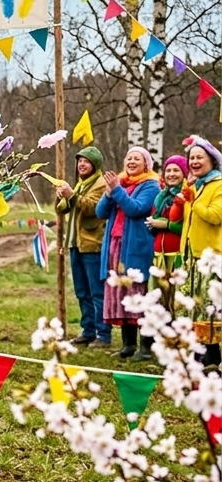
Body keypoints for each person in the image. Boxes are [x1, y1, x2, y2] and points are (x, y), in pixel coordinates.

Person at [95, 147, 160, 360]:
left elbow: (135, 209)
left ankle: (146, 348)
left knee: (137, 294)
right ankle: (128, 345)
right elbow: (100, 213)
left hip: (136, 247)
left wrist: (116, 191)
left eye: (137, 159)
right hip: (115, 245)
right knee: (121, 294)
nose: (131, 161)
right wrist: (108, 193)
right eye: (129, 158)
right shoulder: (120, 183)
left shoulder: (151, 185)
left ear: (146, 164)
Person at [56, 146, 109, 347]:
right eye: (79, 161)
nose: (82, 165)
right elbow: (65, 209)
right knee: (82, 292)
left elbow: (93, 209)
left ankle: (103, 334)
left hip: (92, 246)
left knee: (97, 292)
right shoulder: (80, 185)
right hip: (75, 245)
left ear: (95, 165)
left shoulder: (101, 184)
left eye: (86, 161)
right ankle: (88, 331)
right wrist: (62, 197)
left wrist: (72, 195)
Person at [142, 155, 188, 361]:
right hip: (159, 255)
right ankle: (161, 346)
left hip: (176, 255)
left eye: (176, 170)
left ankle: (178, 348)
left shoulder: (186, 195)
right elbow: (155, 221)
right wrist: (153, 225)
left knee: (174, 303)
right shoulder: (160, 197)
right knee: (160, 302)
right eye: (168, 170)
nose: (171, 174)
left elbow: (185, 227)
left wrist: (166, 225)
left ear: (184, 173)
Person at [183, 135, 222, 367]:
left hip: (213, 258)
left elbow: (215, 216)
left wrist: (194, 201)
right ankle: (201, 353)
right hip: (194, 256)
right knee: (198, 309)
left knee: (211, 310)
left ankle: (213, 356)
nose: (195, 161)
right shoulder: (197, 185)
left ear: (212, 161)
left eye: (200, 157)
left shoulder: (218, 185)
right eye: (192, 157)